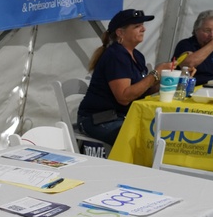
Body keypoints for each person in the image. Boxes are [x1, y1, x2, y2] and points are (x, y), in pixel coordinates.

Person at [76, 9, 177, 149]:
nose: (143, 29)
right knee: (144, 141)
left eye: (142, 25)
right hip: (100, 119)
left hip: (120, 117)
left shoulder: (137, 56)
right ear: (120, 33)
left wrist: (169, 77)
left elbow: (143, 91)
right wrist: (154, 74)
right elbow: (124, 97)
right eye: (137, 26)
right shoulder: (116, 56)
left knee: (159, 135)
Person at [173, 10, 213, 84]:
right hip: (192, 88)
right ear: (196, 29)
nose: (212, 35)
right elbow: (188, 64)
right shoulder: (185, 44)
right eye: (207, 30)